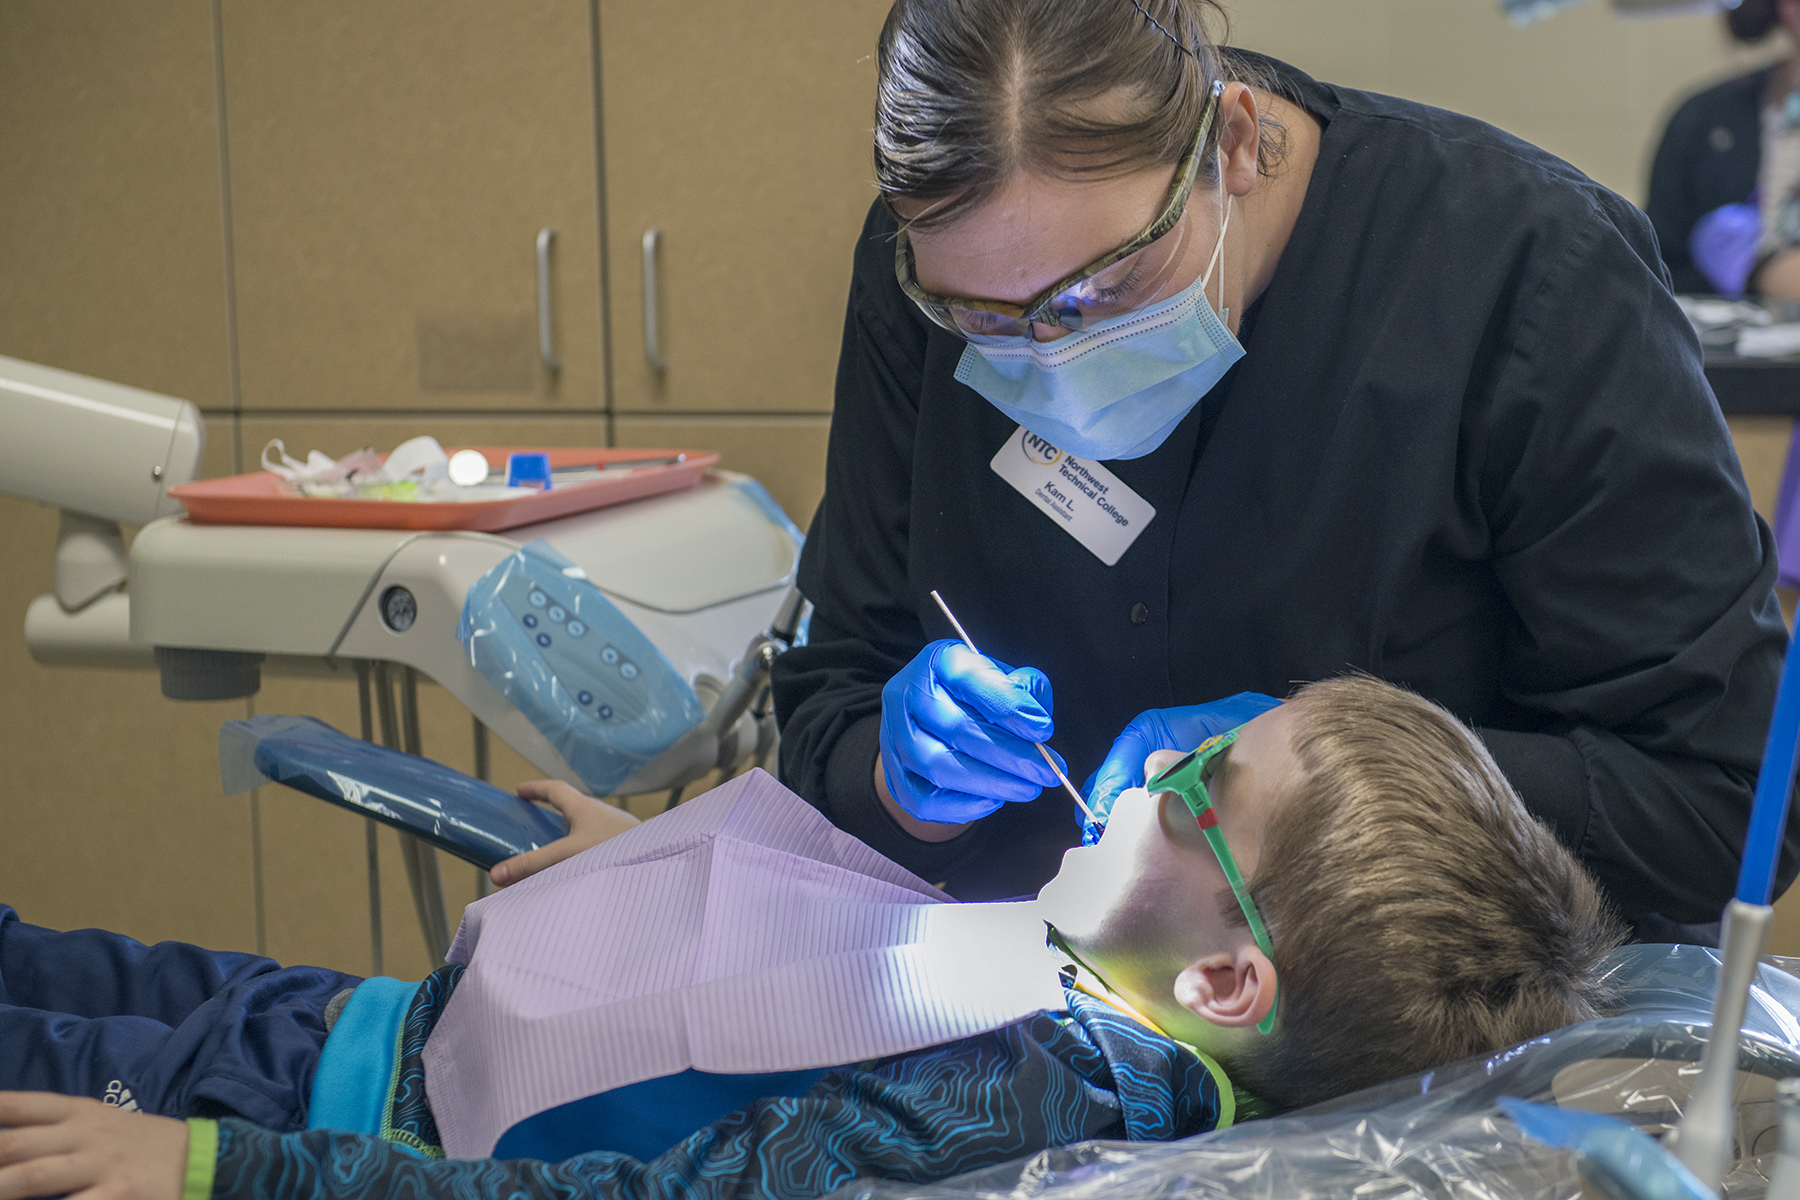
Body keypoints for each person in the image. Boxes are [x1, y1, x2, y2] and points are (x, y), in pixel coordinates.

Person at [771, 0, 1789, 928]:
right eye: (983, 322)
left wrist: (1352, 777)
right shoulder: (927, 271)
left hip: (1421, 1053)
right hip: (1031, 1009)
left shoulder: (1525, 273)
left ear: (1237, 142)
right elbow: (832, 710)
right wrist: (904, 779)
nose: (1051, 360)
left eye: (1109, 290)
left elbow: (1728, 805)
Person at [0, 676, 1621, 1200]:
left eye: (1205, 788)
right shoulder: (1111, 1022)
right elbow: (824, 982)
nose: (1154, 767)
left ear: (1226, 978)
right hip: (376, 1028)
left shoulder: (1028, 1109)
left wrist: (215, 1170)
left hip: (326, 1122)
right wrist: (641, 874)